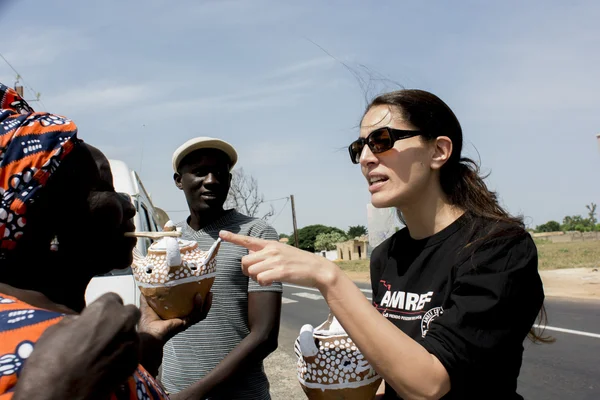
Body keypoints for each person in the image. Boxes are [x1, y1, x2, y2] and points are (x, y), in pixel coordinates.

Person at [219, 89, 548, 400]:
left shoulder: (498, 247)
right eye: (358, 147)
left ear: (439, 151)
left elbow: (429, 385)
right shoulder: (386, 255)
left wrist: (328, 276)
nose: (365, 158)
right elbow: (393, 365)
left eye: (381, 141)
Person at [0, 83, 211, 400]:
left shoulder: (79, 347)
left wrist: (148, 342)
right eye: (103, 186)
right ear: (51, 224)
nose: (128, 205)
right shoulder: (45, 363)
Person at [160, 137, 282, 399]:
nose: (212, 180)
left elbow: (265, 335)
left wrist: (195, 394)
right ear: (179, 180)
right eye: (200, 172)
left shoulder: (257, 234)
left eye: (220, 172)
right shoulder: (166, 241)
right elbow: (153, 324)